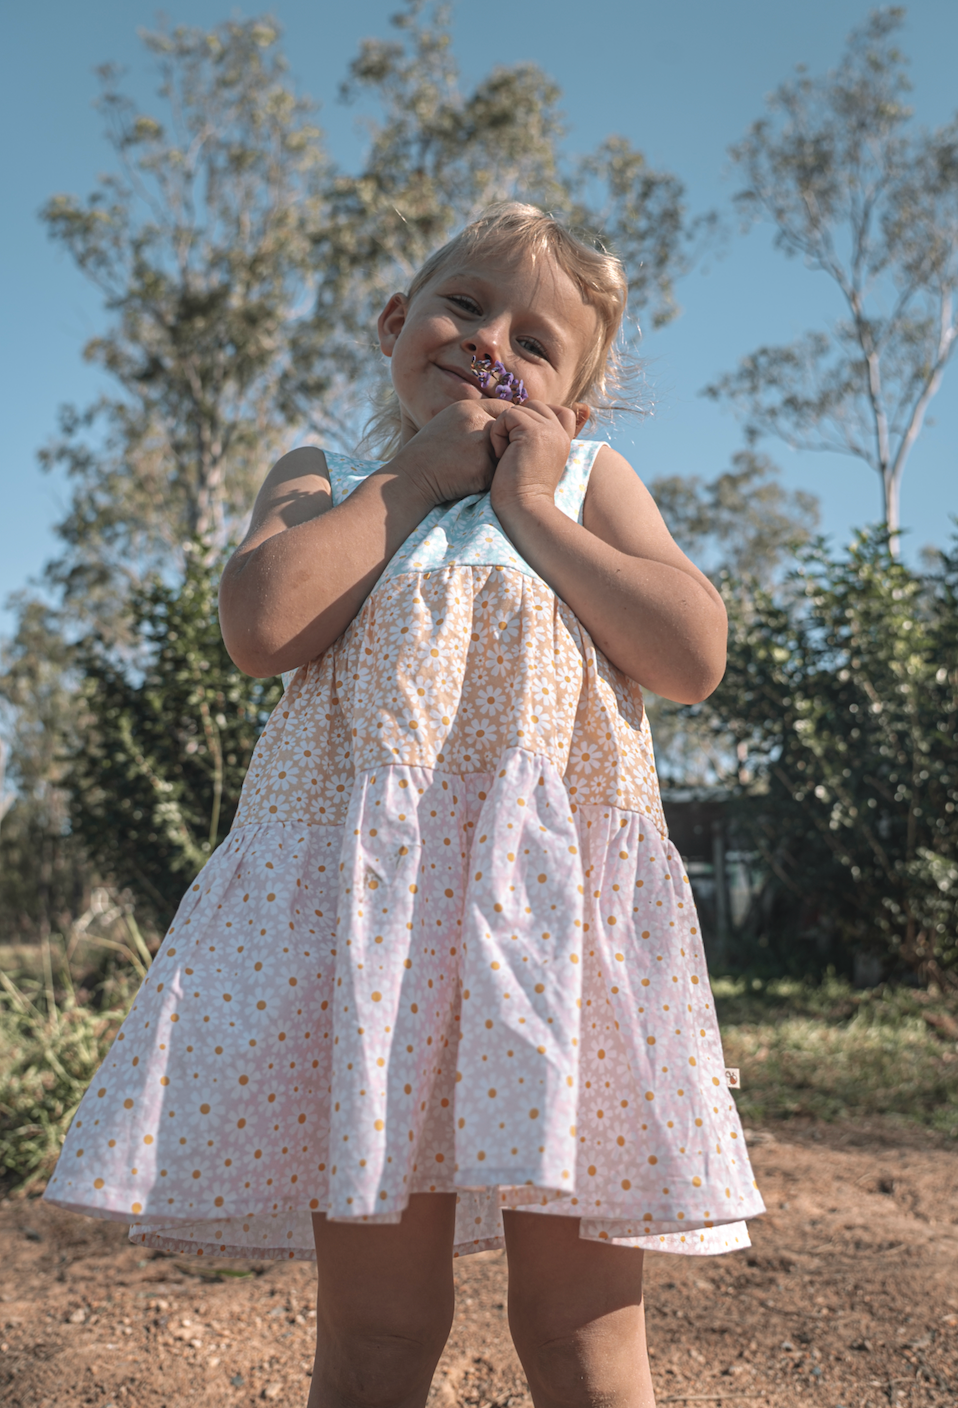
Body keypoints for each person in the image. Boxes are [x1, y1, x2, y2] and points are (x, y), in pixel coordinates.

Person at [46, 202, 765, 1408]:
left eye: (538, 344)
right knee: (380, 1329)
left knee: (582, 1329)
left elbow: (690, 652)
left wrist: (532, 507)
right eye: (468, 305)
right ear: (396, 321)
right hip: (368, 948)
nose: (494, 346)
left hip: (552, 941)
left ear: (573, 407)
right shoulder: (325, 471)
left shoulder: (589, 479)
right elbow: (263, 623)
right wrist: (420, 474)